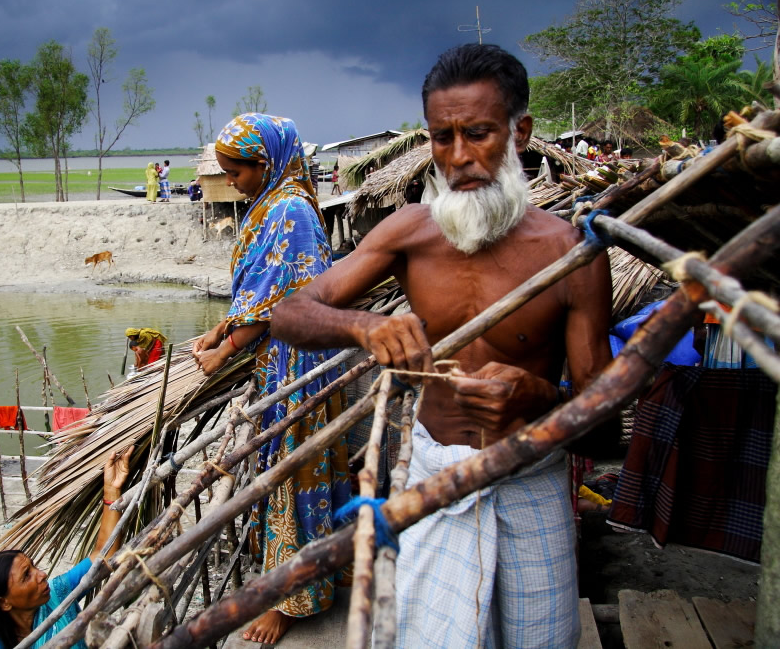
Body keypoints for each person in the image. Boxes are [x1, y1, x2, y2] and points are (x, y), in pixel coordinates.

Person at [272, 44, 615, 647]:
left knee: (541, 637)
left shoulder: (569, 254)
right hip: (433, 472)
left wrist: (538, 395)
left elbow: (606, 424)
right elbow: (289, 313)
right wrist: (365, 328)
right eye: (441, 137)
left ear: (520, 132)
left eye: (478, 134)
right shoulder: (411, 233)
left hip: (529, 478)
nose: (459, 157)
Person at [192, 113, 350, 644]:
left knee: (293, 465)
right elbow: (254, 292)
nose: (230, 181)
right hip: (277, 356)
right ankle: (302, 577)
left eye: (234, 172)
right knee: (281, 463)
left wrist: (227, 349)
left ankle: (290, 601)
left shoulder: (291, 211)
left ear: (266, 163)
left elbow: (282, 300)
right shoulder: (271, 203)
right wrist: (219, 330)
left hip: (297, 360)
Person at [0, 447, 133, 649]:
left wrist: (111, 490)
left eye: (33, 567)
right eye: (26, 576)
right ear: (4, 603)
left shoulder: (57, 594)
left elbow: (103, 555)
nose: (41, 575)